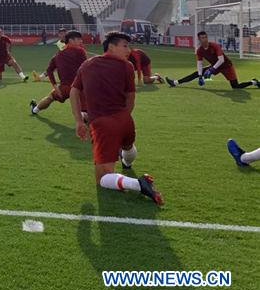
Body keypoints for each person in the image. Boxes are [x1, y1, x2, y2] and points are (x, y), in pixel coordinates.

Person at [70, 31, 163, 205]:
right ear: (111, 47)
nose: (128, 50)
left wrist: (78, 120)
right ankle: (127, 164)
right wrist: (124, 117)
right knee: (127, 147)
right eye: (125, 46)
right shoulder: (127, 66)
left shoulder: (87, 65)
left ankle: (138, 184)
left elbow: (74, 91)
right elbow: (130, 97)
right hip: (126, 120)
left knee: (102, 179)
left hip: (103, 124)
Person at [165, 31, 258, 89]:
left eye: (205, 37)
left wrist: (212, 69)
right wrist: (201, 76)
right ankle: (175, 82)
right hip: (215, 66)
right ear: (199, 39)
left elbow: (221, 60)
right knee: (196, 74)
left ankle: (253, 82)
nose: (204, 39)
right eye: (202, 38)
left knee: (235, 86)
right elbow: (199, 64)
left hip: (226, 66)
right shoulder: (200, 50)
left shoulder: (215, 46)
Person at [29, 30, 88, 115]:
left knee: (50, 98)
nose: (81, 41)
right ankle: (83, 116)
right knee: (86, 111)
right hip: (79, 87)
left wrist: (55, 87)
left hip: (64, 87)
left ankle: (35, 110)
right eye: (78, 39)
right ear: (71, 40)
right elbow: (86, 67)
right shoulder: (81, 51)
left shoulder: (58, 55)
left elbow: (49, 70)